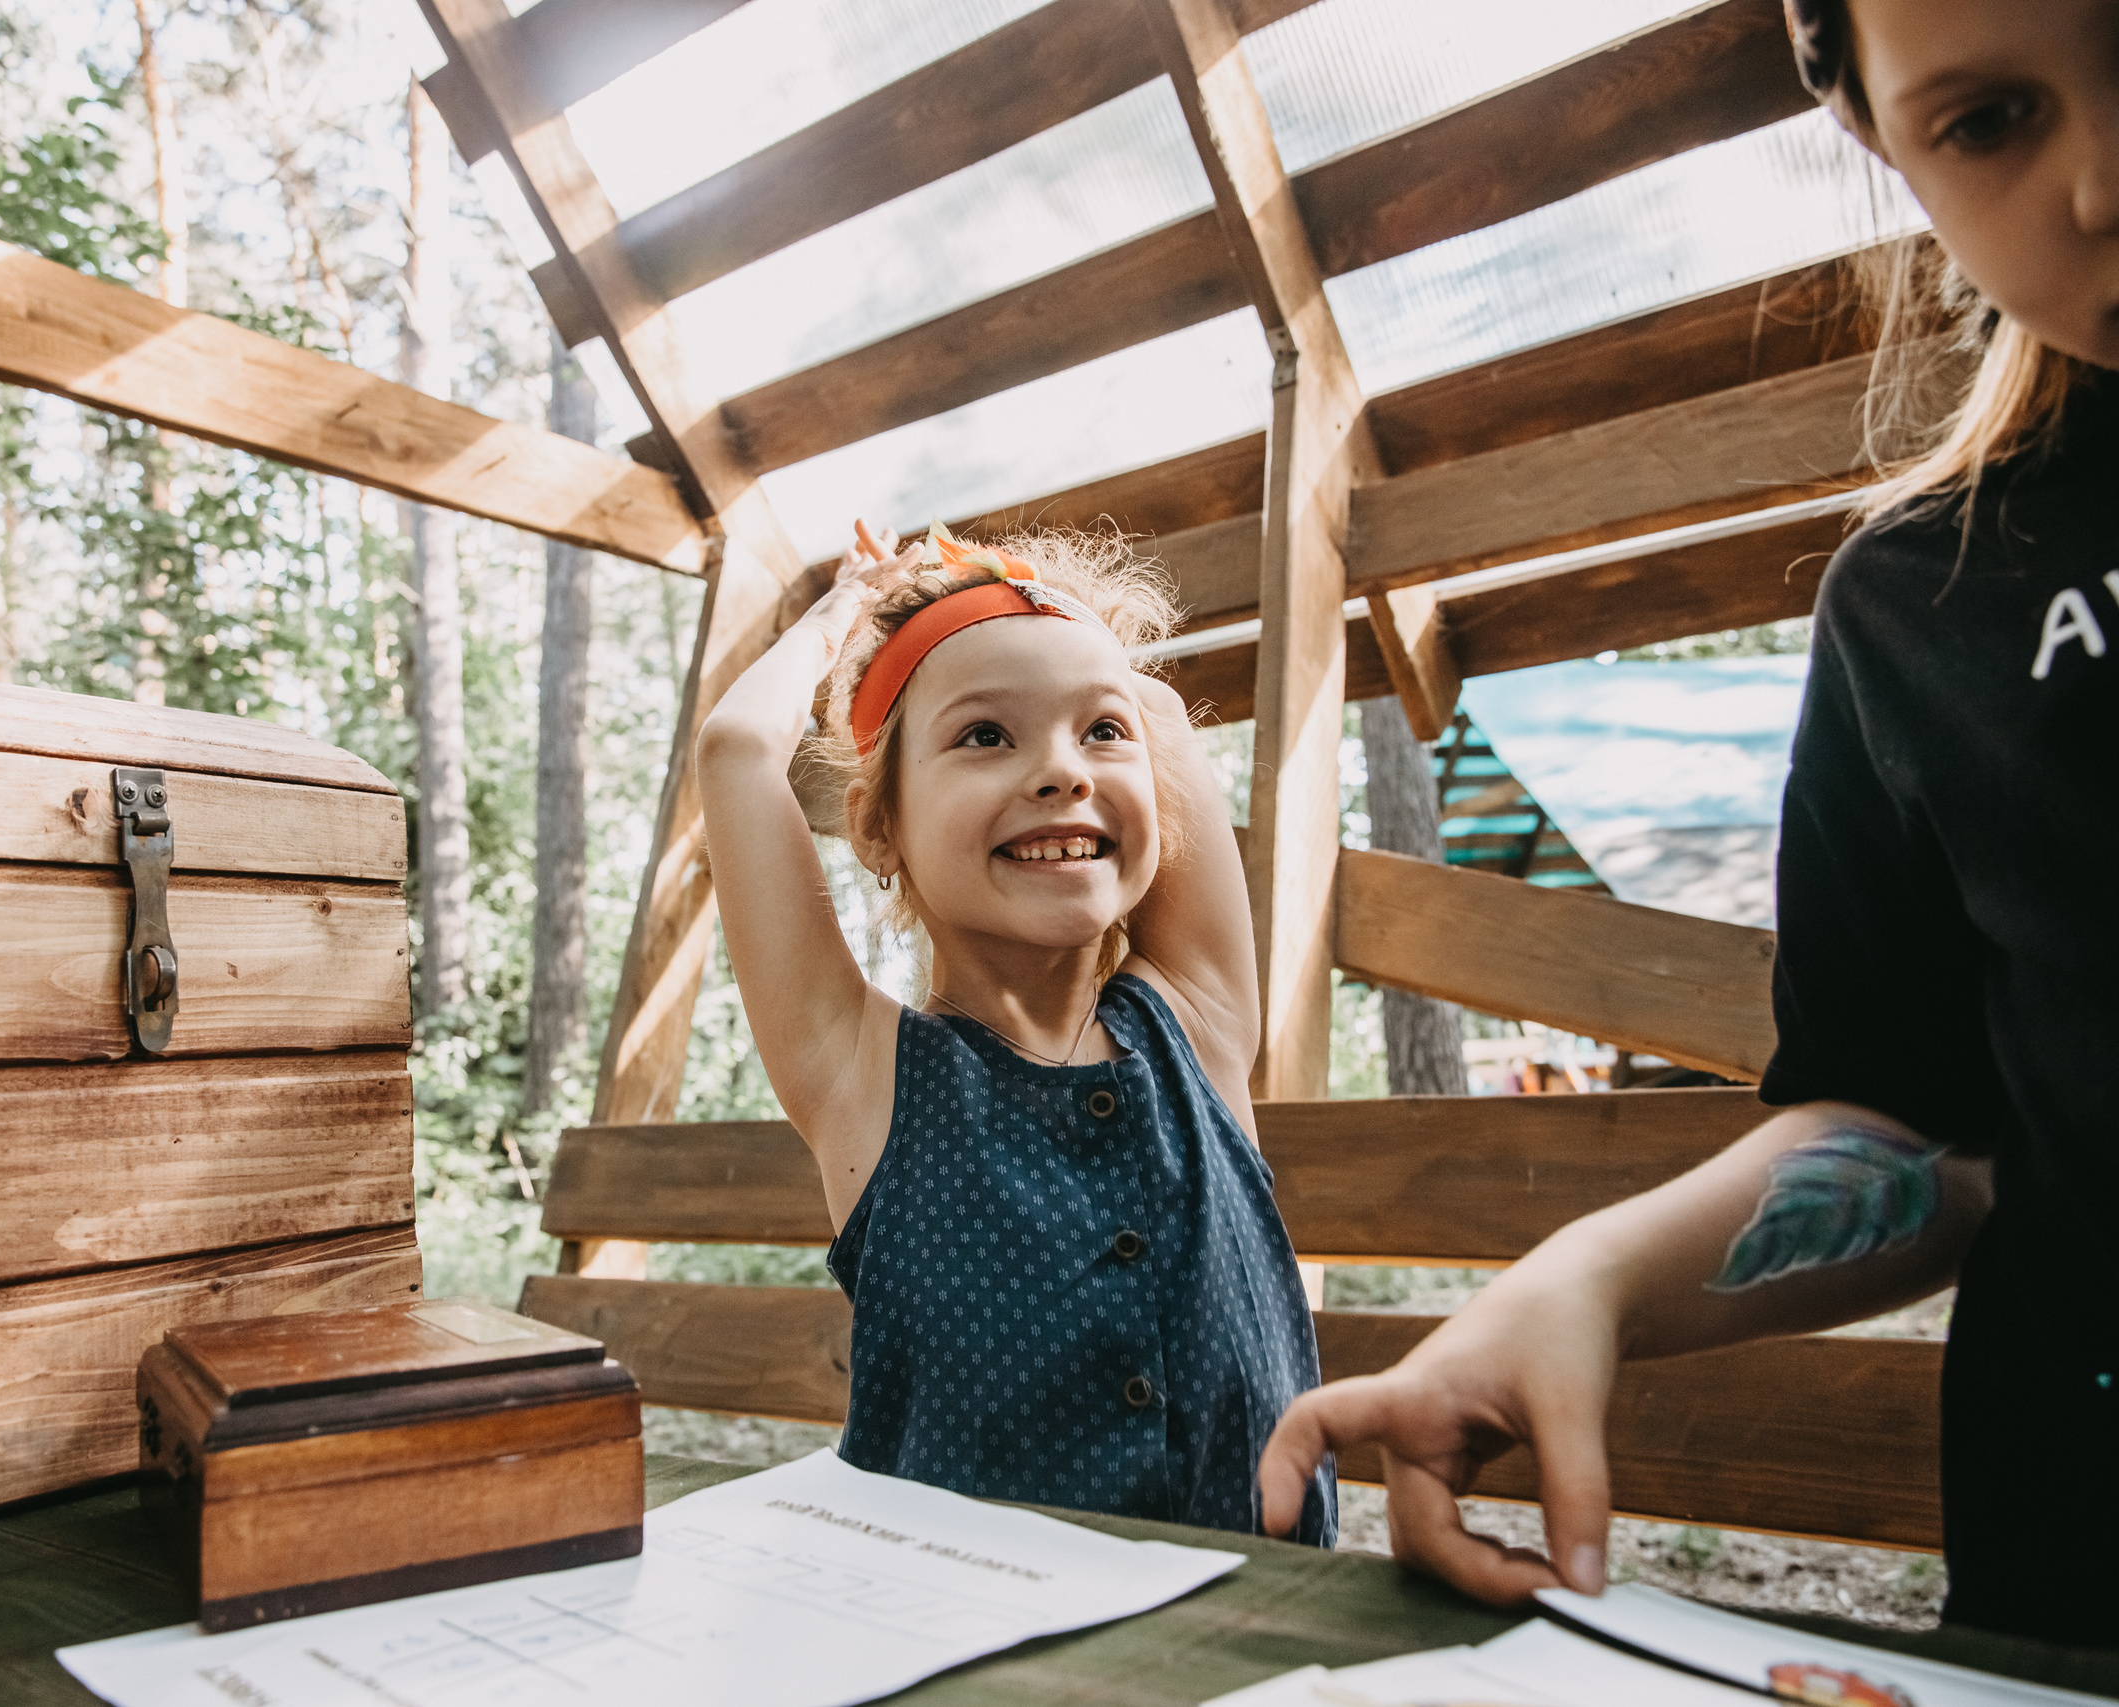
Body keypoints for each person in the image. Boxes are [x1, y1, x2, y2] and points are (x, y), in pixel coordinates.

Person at [1256, 0, 2116, 1647]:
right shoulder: (1921, 598)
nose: (2105, 180)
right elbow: (1922, 1130)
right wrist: (1576, 1285)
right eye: (1993, 120)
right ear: (1884, 145)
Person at [697, 520, 1334, 1540]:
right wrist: (847, 612)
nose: (1061, 772)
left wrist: (1036, 602)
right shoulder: (860, 1072)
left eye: (1099, 733)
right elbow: (736, 750)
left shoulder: (1199, 1024)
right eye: (984, 735)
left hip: (1255, 1642)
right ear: (876, 827)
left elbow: (1158, 709)